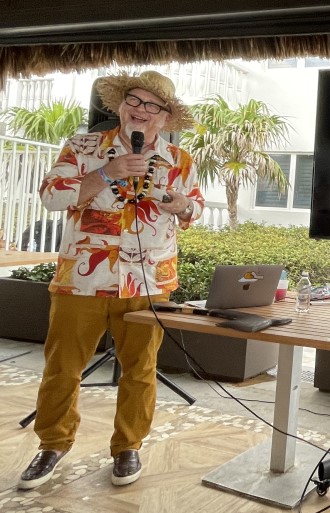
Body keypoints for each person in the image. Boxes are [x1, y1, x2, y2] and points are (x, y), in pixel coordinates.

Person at [18, 71, 204, 489]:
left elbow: (195, 209)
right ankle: (52, 444)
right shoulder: (82, 147)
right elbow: (51, 196)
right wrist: (107, 172)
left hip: (149, 281)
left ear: (165, 117)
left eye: (151, 105)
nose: (140, 110)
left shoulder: (181, 160)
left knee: (140, 369)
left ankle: (128, 446)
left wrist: (181, 204)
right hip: (82, 278)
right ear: (119, 106)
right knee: (62, 368)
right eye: (132, 100)